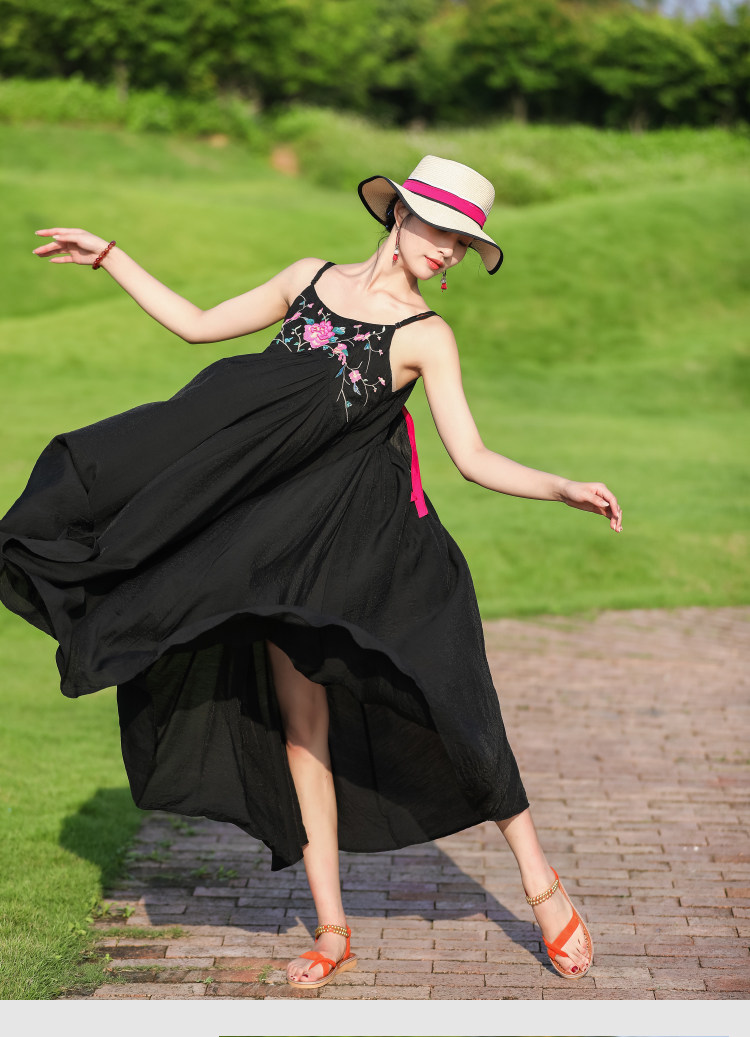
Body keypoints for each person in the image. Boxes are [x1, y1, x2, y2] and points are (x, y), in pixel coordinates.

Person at [2, 155, 621, 989]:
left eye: (463, 242)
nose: (448, 250)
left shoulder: (426, 335)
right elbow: (196, 325)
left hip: (380, 552)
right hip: (288, 549)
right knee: (303, 727)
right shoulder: (307, 280)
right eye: (441, 229)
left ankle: (542, 885)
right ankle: (333, 927)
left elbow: (471, 456)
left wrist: (562, 486)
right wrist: (111, 255)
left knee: (459, 705)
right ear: (399, 213)